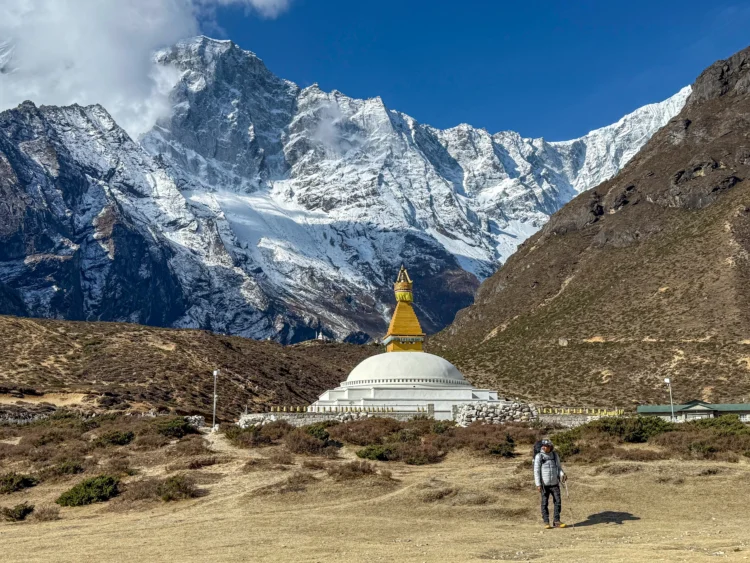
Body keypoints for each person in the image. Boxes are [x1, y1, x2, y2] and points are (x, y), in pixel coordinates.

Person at [533, 439, 567, 529]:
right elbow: (536, 471)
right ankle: (546, 522)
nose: (543, 447)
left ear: (550, 447)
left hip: (555, 483)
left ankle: (556, 521)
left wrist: (562, 474)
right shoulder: (539, 456)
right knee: (544, 503)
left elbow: (559, 467)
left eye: (546, 446)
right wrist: (538, 484)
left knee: (558, 502)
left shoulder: (555, 455)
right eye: (543, 445)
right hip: (544, 485)